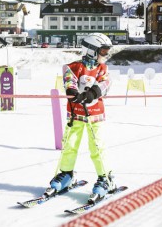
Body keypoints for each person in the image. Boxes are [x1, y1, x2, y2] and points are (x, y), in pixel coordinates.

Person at [45, 33, 116, 203]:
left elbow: (104, 84)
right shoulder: (72, 67)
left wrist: (91, 93)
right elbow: (69, 81)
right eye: (103, 51)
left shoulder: (102, 69)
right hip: (75, 114)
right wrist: (73, 92)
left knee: (97, 146)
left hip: (95, 115)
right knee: (69, 144)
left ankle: (105, 178)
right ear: (91, 50)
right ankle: (66, 173)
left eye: (107, 52)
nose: (106, 55)